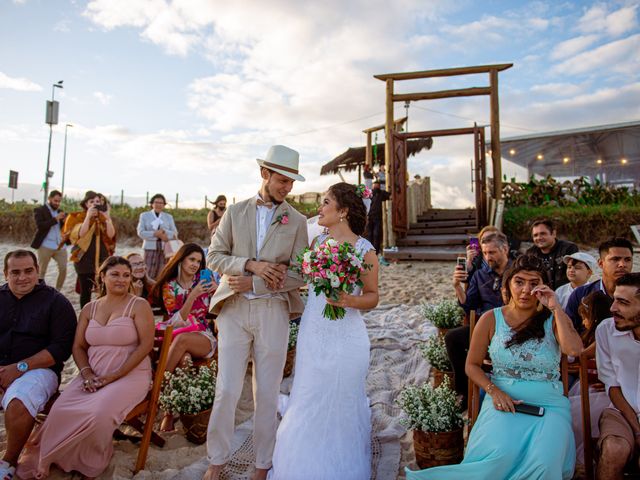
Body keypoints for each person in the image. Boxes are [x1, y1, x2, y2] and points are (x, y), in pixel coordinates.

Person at [407, 254, 583, 479]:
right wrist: (494, 392)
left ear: (543, 287)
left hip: (549, 407)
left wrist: (556, 308)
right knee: (498, 457)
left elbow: (574, 350)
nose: (526, 290)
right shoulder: (491, 319)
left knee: (544, 464)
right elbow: (471, 365)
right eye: (519, 282)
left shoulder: (553, 319)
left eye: (534, 283)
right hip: (502, 402)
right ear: (508, 284)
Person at [203, 145, 308, 480]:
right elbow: (214, 256)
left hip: (273, 311)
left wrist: (256, 282)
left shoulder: (298, 221)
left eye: (291, 182)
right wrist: (250, 264)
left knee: (266, 391)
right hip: (232, 310)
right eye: (282, 180)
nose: (287, 188)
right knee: (227, 389)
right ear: (265, 174)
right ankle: (215, 462)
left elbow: (301, 274)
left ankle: (262, 465)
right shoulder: (234, 212)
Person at [271, 183, 379, 480]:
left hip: (348, 336)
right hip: (314, 329)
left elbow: (372, 296)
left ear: (342, 211)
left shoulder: (365, 251)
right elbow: (300, 276)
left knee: (341, 396)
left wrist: (348, 300)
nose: (320, 208)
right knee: (309, 393)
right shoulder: (317, 244)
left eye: (326, 202)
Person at [17, 256, 154, 479]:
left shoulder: (139, 305)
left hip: (129, 374)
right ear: (102, 276)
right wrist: (87, 373)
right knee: (60, 409)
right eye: (115, 274)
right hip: (92, 372)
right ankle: (55, 457)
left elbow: (146, 345)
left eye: (126, 275)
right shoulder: (90, 308)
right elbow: (78, 346)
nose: (121, 280)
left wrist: (116, 375)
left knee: (99, 414)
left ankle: (88, 463)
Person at [0, 250, 76, 480]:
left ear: (37, 271)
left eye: (28, 271)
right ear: (5, 274)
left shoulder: (56, 302)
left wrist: (19, 368)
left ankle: (8, 463)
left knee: (19, 400)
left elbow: (61, 348)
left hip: (38, 370)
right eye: (15, 272)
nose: (22, 277)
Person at [446, 231, 511, 400]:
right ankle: (463, 393)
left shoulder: (517, 273)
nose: (488, 257)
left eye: (492, 252)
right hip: (484, 329)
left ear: (505, 249)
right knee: (452, 338)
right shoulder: (480, 275)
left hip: (511, 327)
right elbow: (469, 305)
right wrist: (457, 287)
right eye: (485, 253)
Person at [595, 273, 640, 479]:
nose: (612, 308)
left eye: (623, 302)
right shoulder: (606, 329)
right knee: (614, 449)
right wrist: (637, 431)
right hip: (620, 411)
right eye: (614, 299)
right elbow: (612, 386)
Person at [565, 237, 634, 329]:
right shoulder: (581, 295)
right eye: (615, 259)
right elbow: (569, 331)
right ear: (601, 263)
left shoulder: (637, 295)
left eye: (628, 260)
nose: (622, 264)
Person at [63, 190, 116, 307]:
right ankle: (85, 317)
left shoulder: (103, 218)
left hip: (102, 258)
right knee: (85, 292)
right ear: (86, 204)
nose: (95, 204)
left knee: (104, 290)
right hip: (83, 259)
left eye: (98, 201)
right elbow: (80, 234)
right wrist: (88, 217)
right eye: (92, 201)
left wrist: (108, 218)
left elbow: (111, 235)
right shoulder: (77, 217)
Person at [30, 190, 68, 291]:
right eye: (55, 201)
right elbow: (41, 226)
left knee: (63, 269)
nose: (57, 203)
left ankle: (58, 290)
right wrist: (55, 219)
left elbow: (64, 228)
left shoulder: (61, 211)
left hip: (60, 245)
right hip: (45, 245)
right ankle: (39, 291)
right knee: (42, 271)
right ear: (49, 199)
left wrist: (64, 222)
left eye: (59, 201)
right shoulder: (39, 210)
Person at [526, 218, 578, 290]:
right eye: (535, 235)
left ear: (553, 234)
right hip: (540, 295)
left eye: (543, 234)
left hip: (565, 294)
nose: (539, 238)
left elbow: (577, 275)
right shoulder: (530, 253)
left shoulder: (568, 248)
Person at [137, 193, 178, 280]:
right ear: (152, 204)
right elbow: (141, 232)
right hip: (149, 248)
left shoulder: (168, 217)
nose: (158, 205)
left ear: (164, 205)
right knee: (147, 271)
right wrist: (155, 234)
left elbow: (174, 233)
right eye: (156, 202)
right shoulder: (144, 215)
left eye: (161, 203)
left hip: (165, 249)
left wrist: (164, 233)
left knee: (162, 272)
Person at [365, 180, 390, 254]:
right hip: (369, 217)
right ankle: (369, 250)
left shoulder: (382, 193)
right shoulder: (369, 194)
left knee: (376, 234)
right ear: (372, 186)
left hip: (378, 217)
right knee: (369, 234)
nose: (375, 186)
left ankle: (376, 251)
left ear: (379, 186)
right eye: (374, 185)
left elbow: (390, 195)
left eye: (377, 185)